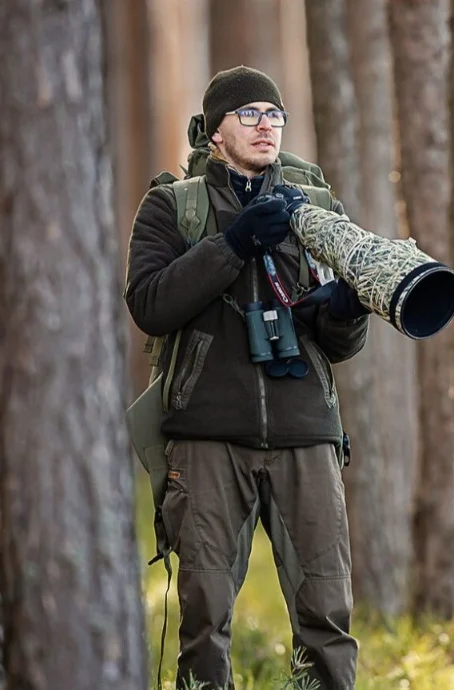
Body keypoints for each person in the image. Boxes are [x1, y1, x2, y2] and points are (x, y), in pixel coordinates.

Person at [124, 65, 368, 689]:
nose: (266, 127)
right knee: (204, 616)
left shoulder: (316, 208)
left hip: (306, 434)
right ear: (214, 131)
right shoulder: (171, 206)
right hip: (207, 436)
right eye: (249, 115)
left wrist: (344, 311)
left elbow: (340, 345)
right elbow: (149, 303)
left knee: (327, 615)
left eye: (275, 115)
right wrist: (232, 244)